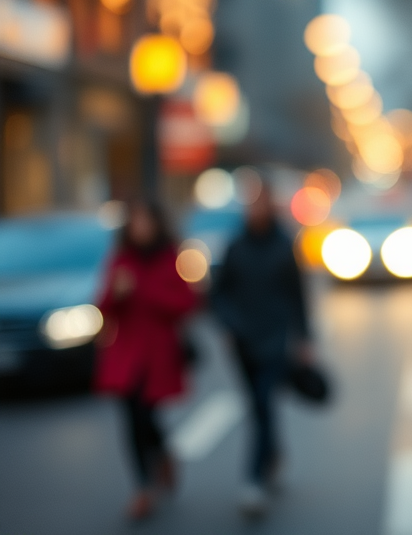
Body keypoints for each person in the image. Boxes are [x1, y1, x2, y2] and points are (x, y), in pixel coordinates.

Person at [209, 178, 312, 517]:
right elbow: (219, 293)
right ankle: (273, 453)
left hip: (275, 339)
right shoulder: (236, 246)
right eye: (252, 204)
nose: (256, 210)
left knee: (264, 403)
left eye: (262, 204)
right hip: (243, 341)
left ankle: (253, 480)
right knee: (258, 405)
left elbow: (298, 295)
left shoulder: (284, 245)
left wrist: (304, 338)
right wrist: (227, 325)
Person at [94, 199, 198, 521]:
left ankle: (162, 454)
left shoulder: (170, 257)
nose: (140, 228)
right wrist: (118, 293)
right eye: (135, 223)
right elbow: (104, 304)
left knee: (146, 415)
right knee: (131, 418)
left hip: (158, 354)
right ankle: (142, 486)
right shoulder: (121, 260)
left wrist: (144, 292)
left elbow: (186, 303)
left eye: (145, 221)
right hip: (126, 353)